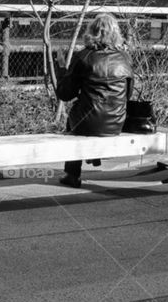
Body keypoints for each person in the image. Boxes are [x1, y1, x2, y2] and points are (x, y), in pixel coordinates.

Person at [54, 13, 133, 189]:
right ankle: (92, 157)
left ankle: (72, 175)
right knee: (84, 115)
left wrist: (61, 69)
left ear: (91, 32)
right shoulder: (125, 58)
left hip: (86, 122)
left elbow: (65, 94)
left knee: (74, 118)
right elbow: (128, 94)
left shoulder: (83, 56)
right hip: (116, 122)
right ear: (116, 33)